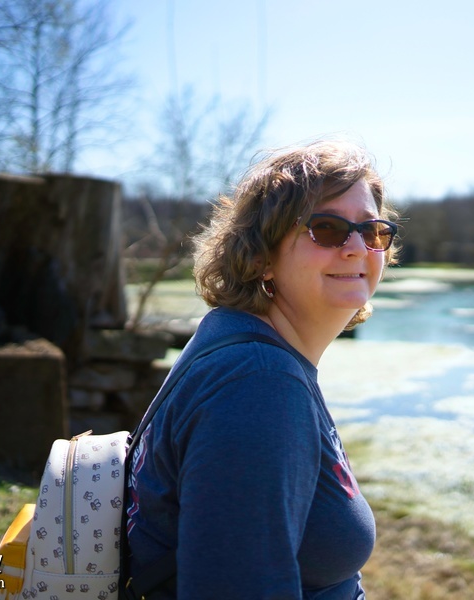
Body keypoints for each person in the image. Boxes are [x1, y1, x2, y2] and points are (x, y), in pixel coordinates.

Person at [125, 139, 400, 599]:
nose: (357, 248)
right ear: (260, 257)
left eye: (371, 231)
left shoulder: (240, 344)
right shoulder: (257, 384)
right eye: (327, 229)